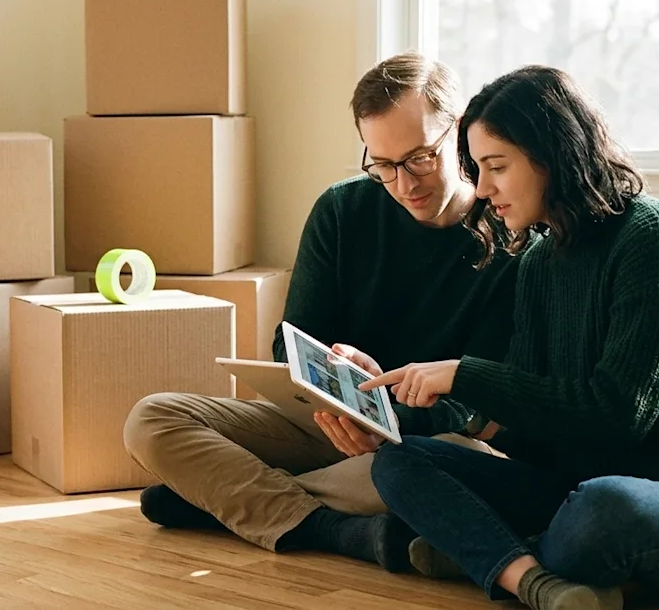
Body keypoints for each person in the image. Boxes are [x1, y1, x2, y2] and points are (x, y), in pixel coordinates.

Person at [345, 65, 659, 610]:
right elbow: (529, 430)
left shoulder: (656, 239)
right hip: (576, 490)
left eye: (497, 166)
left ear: (555, 156)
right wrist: (424, 408)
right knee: (402, 462)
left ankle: (485, 553)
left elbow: (615, 415)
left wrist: (463, 372)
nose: (482, 188)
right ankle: (534, 577)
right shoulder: (539, 261)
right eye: (477, 168)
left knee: (601, 511)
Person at [121, 51, 523, 570]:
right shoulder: (342, 209)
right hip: (324, 424)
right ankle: (338, 530)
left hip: (419, 442)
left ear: (462, 130)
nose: (405, 184)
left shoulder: (513, 238)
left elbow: (480, 400)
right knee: (152, 419)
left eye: (420, 157)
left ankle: (223, 499)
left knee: (467, 466)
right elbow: (290, 344)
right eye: (382, 165)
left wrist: (393, 420)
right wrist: (330, 375)